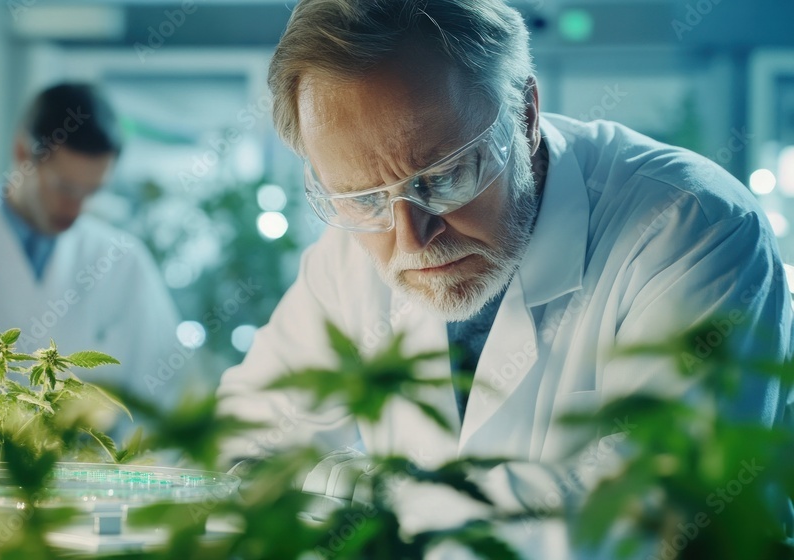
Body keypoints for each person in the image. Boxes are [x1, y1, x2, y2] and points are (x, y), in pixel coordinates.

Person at [216, 0, 792, 553]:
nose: (412, 237)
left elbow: (652, 516)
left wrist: (356, 492)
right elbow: (242, 443)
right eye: (364, 198)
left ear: (525, 114)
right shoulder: (352, 245)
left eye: (443, 176)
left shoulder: (688, 223)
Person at [0, 83, 186, 458]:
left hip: (82, 502)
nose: (74, 209)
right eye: (64, 188)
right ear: (22, 152)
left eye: (91, 193)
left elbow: (163, 401)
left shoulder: (123, 262)